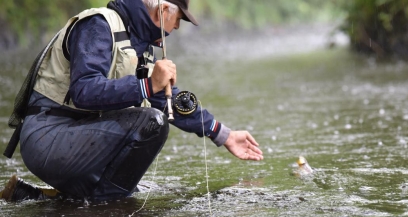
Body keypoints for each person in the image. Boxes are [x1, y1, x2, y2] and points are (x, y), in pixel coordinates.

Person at [0, 0, 263, 202]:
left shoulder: (141, 47)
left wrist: (223, 133)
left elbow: (172, 100)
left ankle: (36, 197)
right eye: (178, 19)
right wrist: (147, 85)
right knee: (152, 124)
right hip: (48, 138)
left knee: (137, 180)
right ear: (163, 12)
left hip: (79, 139)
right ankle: (106, 205)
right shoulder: (98, 25)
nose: (177, 28)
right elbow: (85, 90)